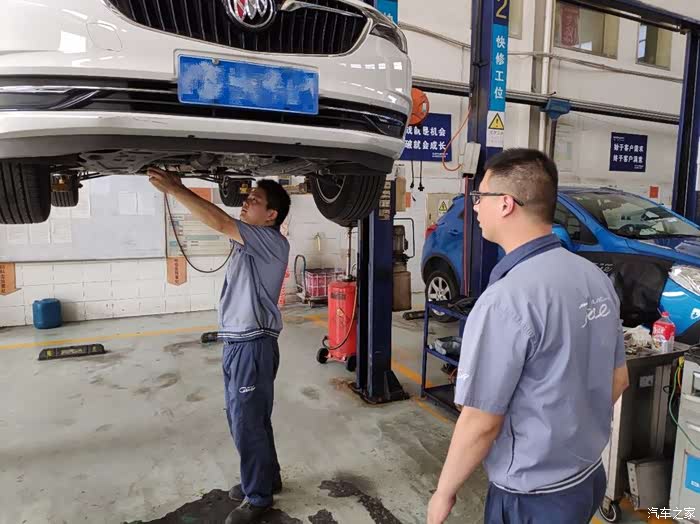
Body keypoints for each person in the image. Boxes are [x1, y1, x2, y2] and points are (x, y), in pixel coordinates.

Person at [427, 149, 630, 524]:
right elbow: (619, 379)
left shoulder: (505, 301)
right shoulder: (595, 278)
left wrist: (443, 493)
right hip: (587, 478)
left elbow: (481, 422)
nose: (475, 207)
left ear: (506, 204)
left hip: (533, 499)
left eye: (480, 197)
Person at [148, 168, 291, 524]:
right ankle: (266, 478)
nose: (246, 202)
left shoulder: (272, 242)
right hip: (237, 342)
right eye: (248, 198)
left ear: (271, 215)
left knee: (247, 422)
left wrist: (176, 189)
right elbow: (226, 225)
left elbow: (220, 221)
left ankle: (258, 497)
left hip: (253, 344)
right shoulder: (249, 241)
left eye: (255, 200)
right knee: (248, 417)